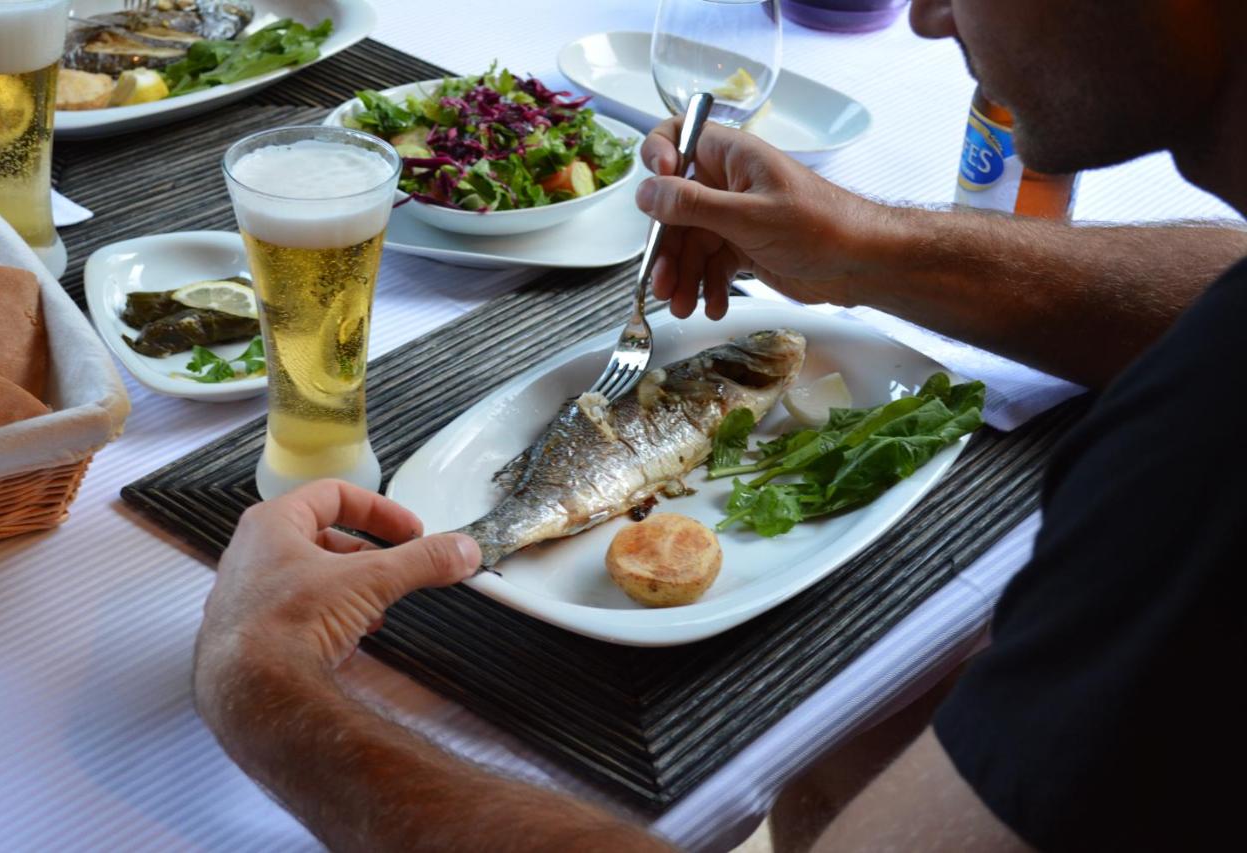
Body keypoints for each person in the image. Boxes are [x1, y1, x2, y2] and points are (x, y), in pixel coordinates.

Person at [194, 0, 1247, 850]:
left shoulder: (1200, 454)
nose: (925, 16)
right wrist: (862, 246)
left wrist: (269, 691)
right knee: (840, 755)